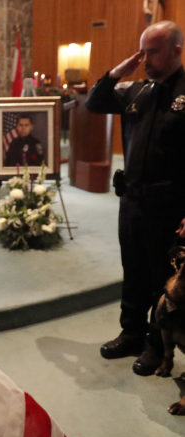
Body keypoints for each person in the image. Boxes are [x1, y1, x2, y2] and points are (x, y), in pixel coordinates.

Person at [85, 20, 185, 375]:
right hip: (132, 199)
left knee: (162, 276)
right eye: (142, 52)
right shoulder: (136, 91)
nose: (146, 59)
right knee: (134, 270)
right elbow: (94, 103)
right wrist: (119, 69)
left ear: (177, 50)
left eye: (153, 52)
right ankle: (131, 333)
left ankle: (157, 346)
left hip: (170, 204)